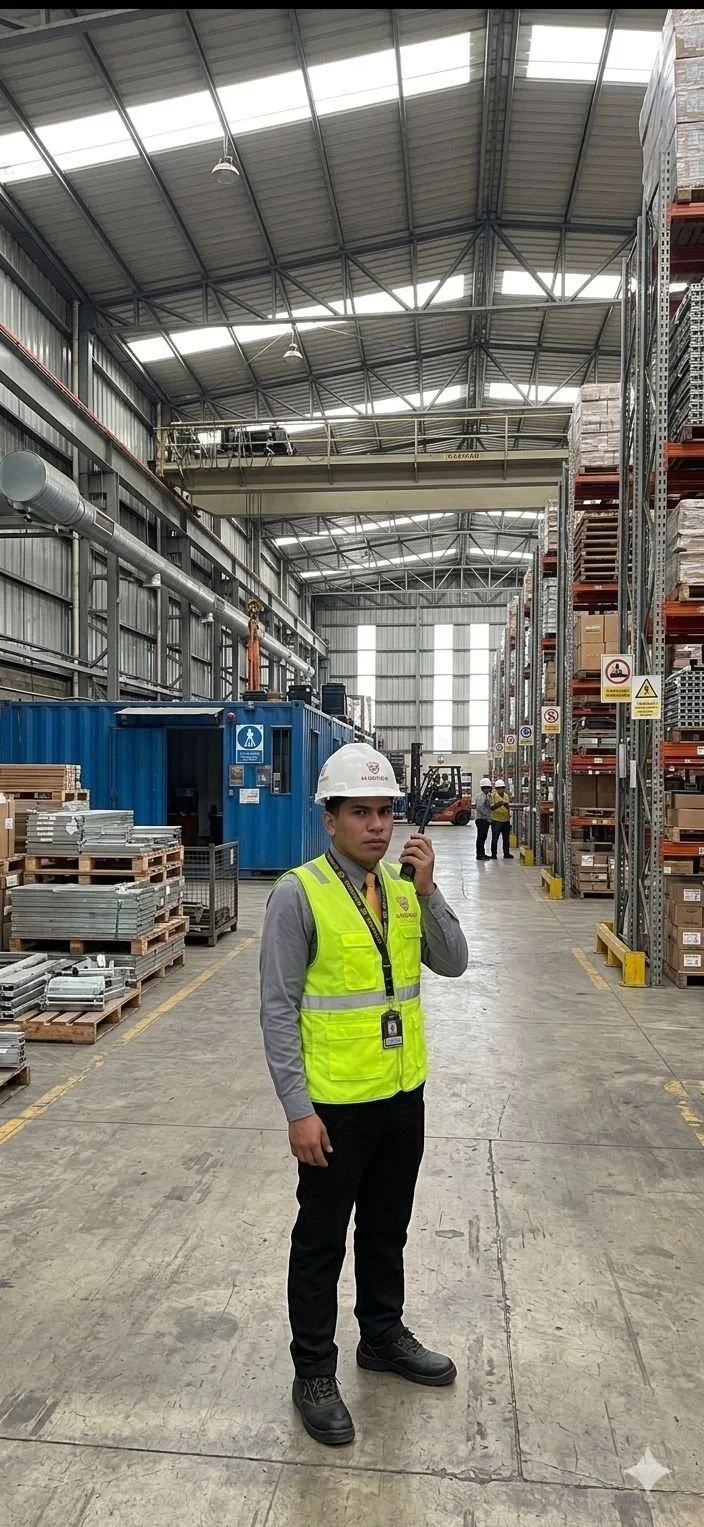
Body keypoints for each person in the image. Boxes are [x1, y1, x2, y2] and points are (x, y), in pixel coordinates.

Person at [259, 741, 468, 1448]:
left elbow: (455, 962)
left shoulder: (406, 888)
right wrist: (297, 1110)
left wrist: (431, 889)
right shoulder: (299, 893)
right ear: (331, 818)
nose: (377, 825)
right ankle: (313, 1371)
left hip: (401, 1096)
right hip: (335, 1108)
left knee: (386, 1228)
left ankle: (381, 1335)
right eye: (361, 812)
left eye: (385, 811)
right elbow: (278, 1009)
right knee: (320, 1243)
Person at [490, 778, 513, 860]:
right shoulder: (493, 796)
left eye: (502, 788)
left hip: (506, 820)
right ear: (496, 789)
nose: (501, 790)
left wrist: (506, 806)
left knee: (506, 838)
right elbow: (491, 807)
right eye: (499, 788)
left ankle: (506, 853)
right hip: (496, 820)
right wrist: (498, 804)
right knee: (495, 838)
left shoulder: (506, 796)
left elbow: (508, 806)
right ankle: (493, 854)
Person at [474, 776, 493, 860]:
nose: (486, 789)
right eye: (485, 788)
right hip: (481, 819)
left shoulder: (486, 796)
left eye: (488, 788)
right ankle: (479, 854)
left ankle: (482, 853)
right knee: (481, 837)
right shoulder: (481, 796)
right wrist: (488, 816)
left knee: (483, 837)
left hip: (484, 819)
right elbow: (480, 808)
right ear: (482, 788)